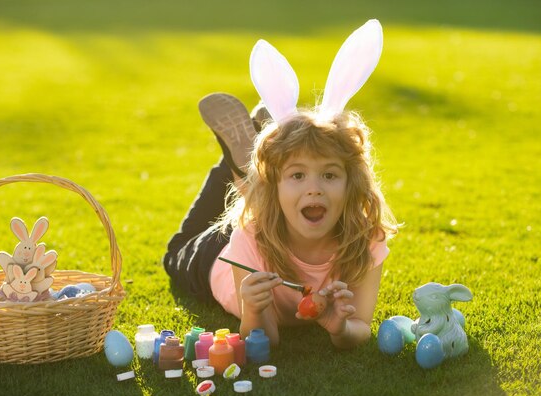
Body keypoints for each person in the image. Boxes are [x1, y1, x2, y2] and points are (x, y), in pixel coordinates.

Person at [164, 19, 398, 349]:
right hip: (211, 260)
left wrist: (340, 327)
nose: (314, 188)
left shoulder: (366, 237)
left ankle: (251, 159)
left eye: (329, 175)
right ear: (276, 185)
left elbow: (360, 326)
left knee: (260, 202)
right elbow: (264, 340)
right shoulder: (250, 235)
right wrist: (255, 309)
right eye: (298, 175)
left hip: (268, 214)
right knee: (175, 251)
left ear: (352, 184)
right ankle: (236, 165)